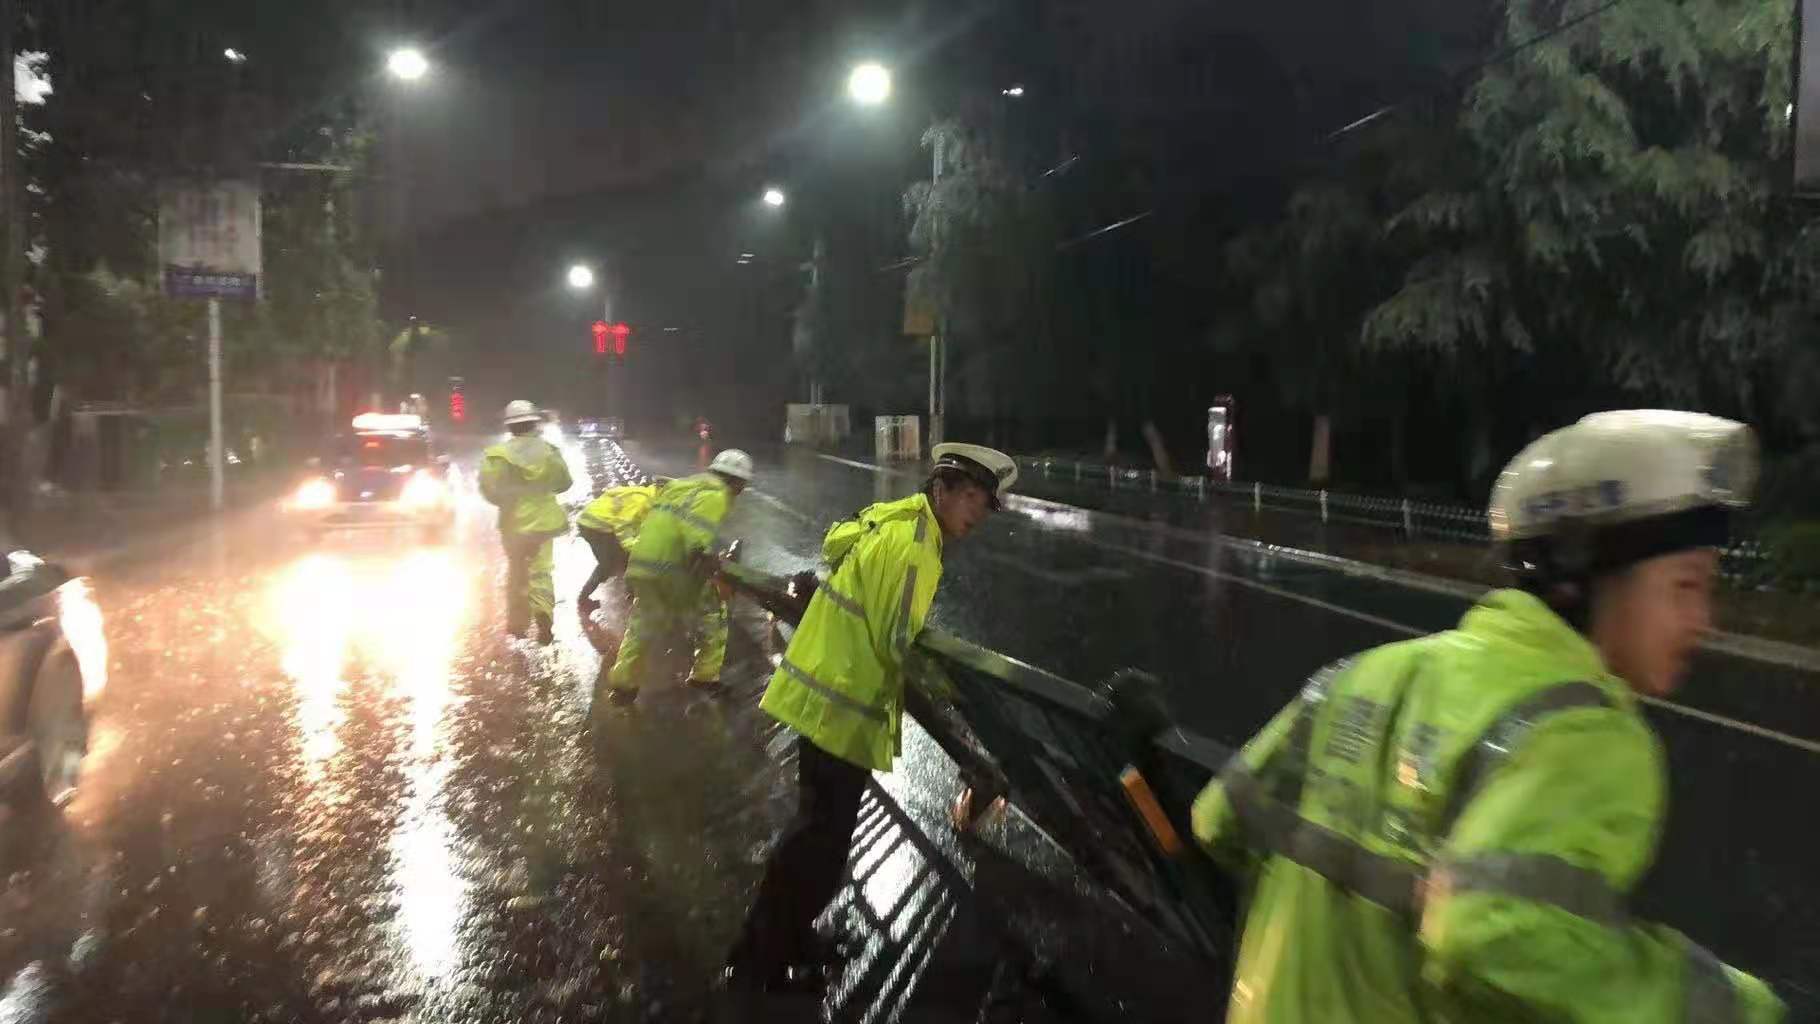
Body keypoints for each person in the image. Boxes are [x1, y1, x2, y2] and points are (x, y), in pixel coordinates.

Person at [1190, 410, 1785, 1023]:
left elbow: (1218, 819)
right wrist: (1734, 1007)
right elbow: (1490, 934)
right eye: (1686, 586)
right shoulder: (1581, 730)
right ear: (1586, 581)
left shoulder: (1363, 674)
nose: (1704, 621)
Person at [724, 442, 1016, 991]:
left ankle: (782, 940)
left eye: (985, 504)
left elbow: (840, 562)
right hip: (842, 706)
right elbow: (897, 649)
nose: (976, 512)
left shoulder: (895, 521)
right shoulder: (915, 550)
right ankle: (759, 962)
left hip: (826, 697)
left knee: (817, 836)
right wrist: (960, 739)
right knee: (818, 842)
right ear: (941, 490)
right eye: (971, 497)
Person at [598, 449, 754, 705]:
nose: (741, 491)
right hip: (672, 569)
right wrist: (710, 560)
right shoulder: (716, 494)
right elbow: (695, 532)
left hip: (642, 564)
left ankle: (623, 684)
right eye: (742, 484)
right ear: (735, 481)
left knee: (643, 624)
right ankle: (705, 677)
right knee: (714, 613)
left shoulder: (681, 487)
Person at [478, 400, 572, 643]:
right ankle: (543, 612)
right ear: (534, 423)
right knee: (541, 571)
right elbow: (564, 483)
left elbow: (489, 490)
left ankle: (518, 625)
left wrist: (508, 500)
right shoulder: (549, 452)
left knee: (517, 573)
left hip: (514, 525)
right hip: (544, 524)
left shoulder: (497, 455)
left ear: (510, 427)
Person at [574, 479, 661, 618]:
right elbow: (623, 526)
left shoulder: (646, 497)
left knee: (618, 562)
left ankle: (632, 594)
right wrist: (632, 547)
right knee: (609, 565)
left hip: (592, 523)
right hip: (597, 526)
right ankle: (583, 599)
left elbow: (635, 524)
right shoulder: (642, 499)